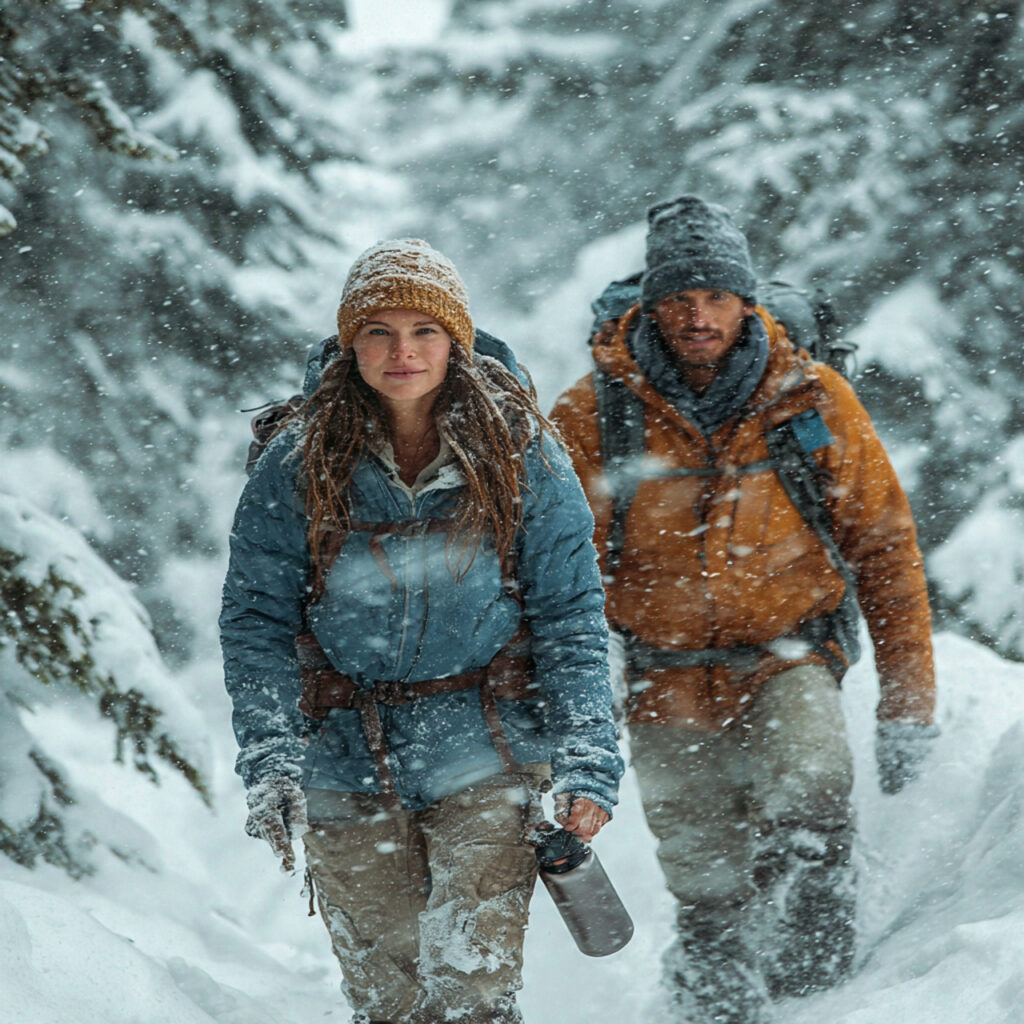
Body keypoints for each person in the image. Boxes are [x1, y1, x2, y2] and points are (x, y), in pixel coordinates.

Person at [549, 196, 937, 1022]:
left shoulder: (811, 398)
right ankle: (713, 968)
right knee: (698, 862)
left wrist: (908, 705)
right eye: (681, 298)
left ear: (747, 301)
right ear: (651, 302)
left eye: (718, 297)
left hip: (787, 650)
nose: (699, 316)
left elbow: (887, 549)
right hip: (660, 670)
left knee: (813, 788)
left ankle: (826, 979)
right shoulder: (595, 412)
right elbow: (550, 566)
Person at [220, 239, 623, 1024]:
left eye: (424, 331)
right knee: (390, 1001)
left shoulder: (521, 453)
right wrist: (272, 755)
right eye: (378, 330)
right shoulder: (297, 461)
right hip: (340, 753)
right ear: (350, 343)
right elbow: (256, 621)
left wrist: (587, 759)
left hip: (489, 748)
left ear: (456, 343)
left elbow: (570, 613)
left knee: (470, 986)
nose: (402, 351)